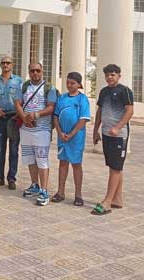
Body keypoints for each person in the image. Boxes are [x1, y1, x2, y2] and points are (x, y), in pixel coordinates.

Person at [92, 64, 134, 215]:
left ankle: (108, 202)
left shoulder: (125, 91)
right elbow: (100, 111)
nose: (109, 77)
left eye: (113, 74)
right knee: (114, 166)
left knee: (115, 168)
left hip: (119, 136)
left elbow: (129, 111)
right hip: (106, 134)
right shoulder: (104, 92)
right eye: (107, 75)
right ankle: (117, 199)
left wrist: (118, 127)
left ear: (119, 76)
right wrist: (95, 131)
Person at [15, 62, 57, 206]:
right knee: (30, 159)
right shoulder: (23, 86)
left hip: (42, 130)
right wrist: (24, 118)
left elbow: (51, 107)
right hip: (26, 129)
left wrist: (36, 115)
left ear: (42, 71)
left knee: (42, 160)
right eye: (32, 71)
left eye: (38, 70)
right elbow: (18, 103)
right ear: (29, 71)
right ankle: (35, 184)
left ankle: (44, 190)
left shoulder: (49, 88)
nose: (35, 73)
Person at [53, 72, 90, 206]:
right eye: (68, 82)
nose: (69, 85)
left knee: (76, 164)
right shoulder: (62, 98)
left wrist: (72, 134)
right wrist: (59, 132)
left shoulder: (82, 99)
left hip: (76, 138)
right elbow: (56, 116)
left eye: (72, 83)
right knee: (63, 163)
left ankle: (78, 195)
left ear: (79, 84)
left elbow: (83, 119)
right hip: (62, 137)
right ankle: (60, 192)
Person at [0, 55, 23, 190]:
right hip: (1, 117)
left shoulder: (18, 81)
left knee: (14, 150)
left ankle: (11, 178)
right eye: (3, 63)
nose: (5, 65)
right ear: (0, 65)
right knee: (0, 150)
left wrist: (19, 114)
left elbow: (23, 100)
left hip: (14, 118)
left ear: (12, 65)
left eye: (8, 63)